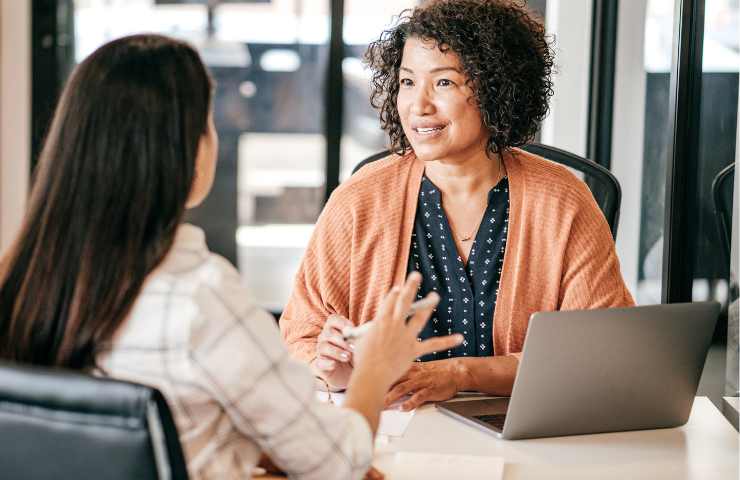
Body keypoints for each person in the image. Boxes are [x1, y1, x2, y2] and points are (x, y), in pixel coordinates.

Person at [0, 34, 461, 479]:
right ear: (182, 149)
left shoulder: (25, 282)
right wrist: (375, 369)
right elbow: (340, 464)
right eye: (208, 121)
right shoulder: (200, 296)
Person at [280, 0, 634, 411]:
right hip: (391, 427)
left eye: (444, 83)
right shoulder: (358, 200)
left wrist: (462, 373)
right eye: (408, 82)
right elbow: (301, 339)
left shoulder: (562, 201)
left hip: (521, 430)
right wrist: (335, 370)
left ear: (496, 88)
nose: (418, 105)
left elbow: (598, 352)